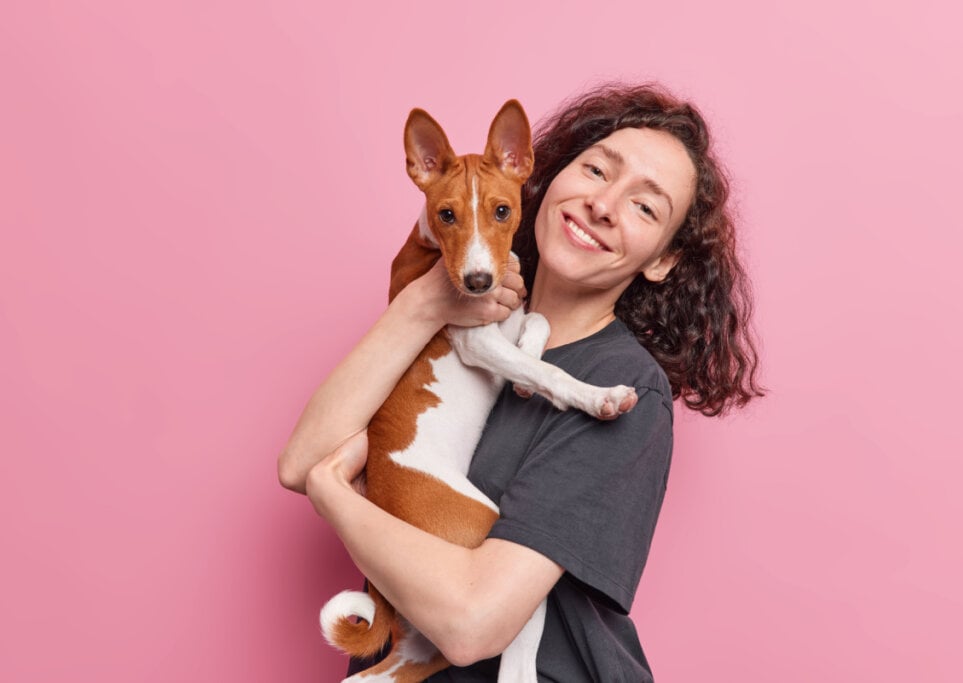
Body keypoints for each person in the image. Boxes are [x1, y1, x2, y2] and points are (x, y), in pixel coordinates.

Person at [278, 82, 763, 681]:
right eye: (595, 170)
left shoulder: (623, 388)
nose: (604, 205)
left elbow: (473, 625)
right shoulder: (455, 322)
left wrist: (336, 495)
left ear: (663, 259)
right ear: (546, 177)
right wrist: (424, 301)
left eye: (645, 206)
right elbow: (300, 463)